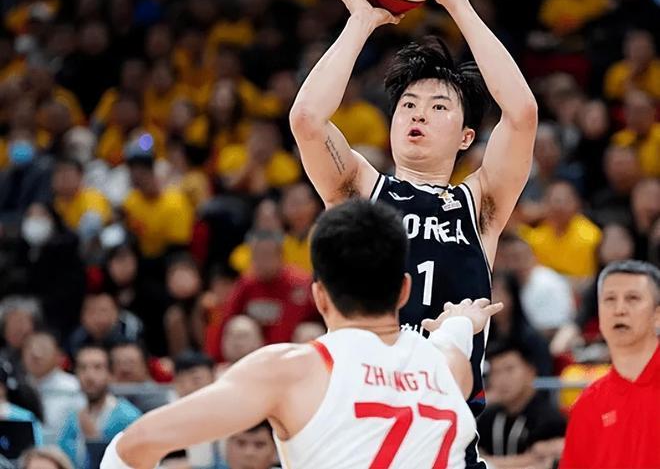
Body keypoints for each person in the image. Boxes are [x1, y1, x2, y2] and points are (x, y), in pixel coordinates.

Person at [288, 0, 537, 466]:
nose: (419, 113)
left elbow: (521, 113)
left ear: (466, 137)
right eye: (408, 105)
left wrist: (455, 0)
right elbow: (306, 119)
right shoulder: (360, 191)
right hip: (361, 434)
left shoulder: (480, 206)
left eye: (439, 106)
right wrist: (361, 21)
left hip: (447, 440)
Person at [101, 199, 502, 469]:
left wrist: (459, 325)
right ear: (404, 290)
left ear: (319, 296)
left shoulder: (291, 370)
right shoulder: (450, 369)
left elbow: (134, 445)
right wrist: (462, 320)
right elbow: (452, 340)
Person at [560, 260, 660, 469]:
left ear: (657, 315)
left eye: (633, 298)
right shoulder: (588, 403)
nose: (619, 310)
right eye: (610, 299)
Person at [477, 341, 566, 469]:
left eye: (509, 369)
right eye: (495, 372)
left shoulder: (550, 420)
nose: (502, 379)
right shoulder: (488, 417)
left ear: (531, 371)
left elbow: (541, 461)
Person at [59, 344, 141, 467]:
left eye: (97, 367)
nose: (89, 375)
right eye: (83, 368)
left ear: (110, 374)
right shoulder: (72, 417)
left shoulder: (128, 417)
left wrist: (94, 440)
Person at [21, 331, 84, 444]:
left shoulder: (72, 387)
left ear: (58, 355)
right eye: (29, 349)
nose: (36, 354)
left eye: (43, 348)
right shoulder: (15, 386)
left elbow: (82, 431)